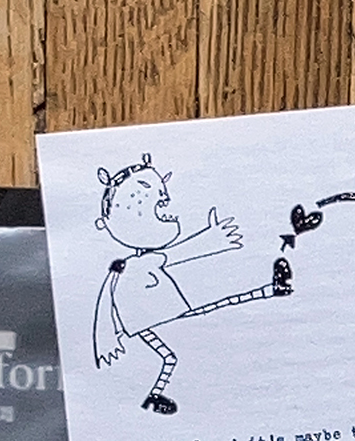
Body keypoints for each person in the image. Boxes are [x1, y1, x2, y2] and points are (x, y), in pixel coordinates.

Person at [92, 154, 291, 413]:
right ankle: (271, 290)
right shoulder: (135, 267)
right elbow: (177, 255)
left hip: (150, 315)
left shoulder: (133, 266)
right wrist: (212, 240)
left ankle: (154, 397)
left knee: (173, 353)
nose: (165, 202)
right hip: (151, 315)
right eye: (155, 197)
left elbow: (173, 257)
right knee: (208, 311)